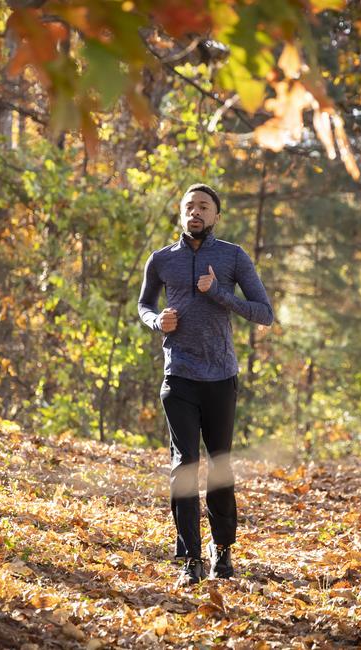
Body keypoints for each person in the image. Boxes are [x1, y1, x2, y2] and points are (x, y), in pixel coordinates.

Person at [137, 183, 274, 586]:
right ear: (181, 214)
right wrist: (155, 321)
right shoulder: (161, 260)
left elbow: (264, 313)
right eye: (188, 206)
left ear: (216, 215)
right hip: (178, 375)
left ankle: (223, 550)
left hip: (220, 377)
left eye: (203, 207)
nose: (194, 212)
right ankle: (189, 559)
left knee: (219, 465)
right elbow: (144, 304)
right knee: (184, 466)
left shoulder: (233, 257)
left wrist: (217, 292)